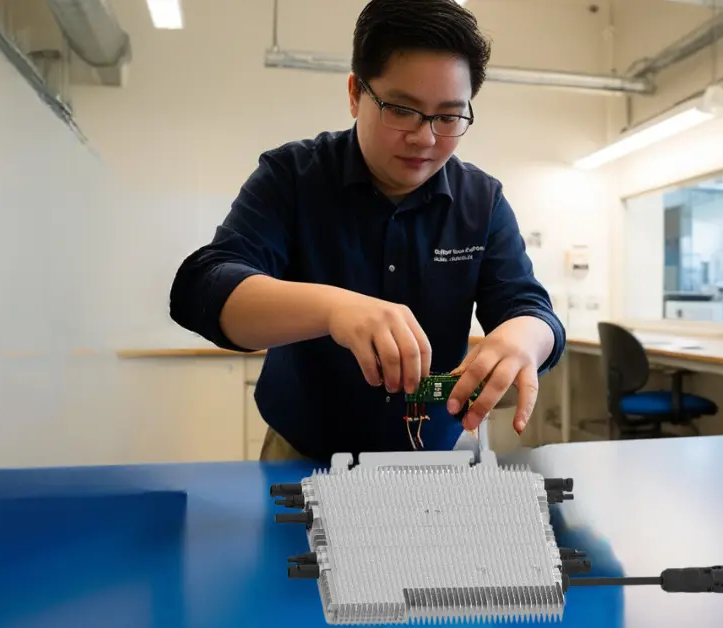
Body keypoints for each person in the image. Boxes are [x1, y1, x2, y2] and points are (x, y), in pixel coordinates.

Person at [169, 0, 565, 463]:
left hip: (434, 456)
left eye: (449, 116)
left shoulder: (483, 200)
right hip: (303, 455)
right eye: (402, 109)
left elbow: (532, 309)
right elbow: (204, 287)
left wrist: (526, 336)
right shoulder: (293, 176)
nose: (426, 138)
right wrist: (334, 309)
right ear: (356, 93)